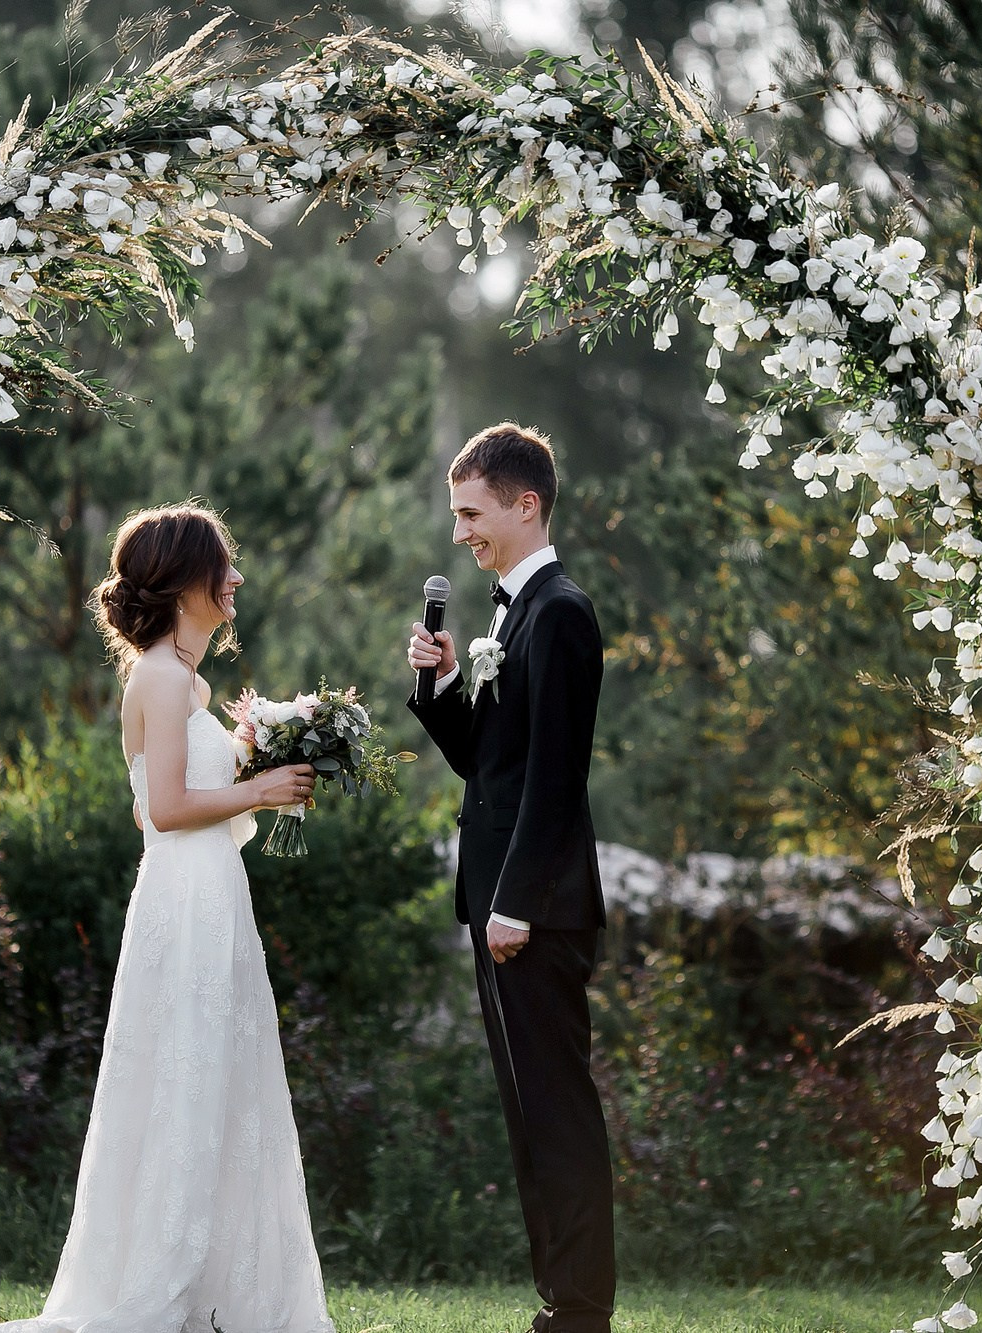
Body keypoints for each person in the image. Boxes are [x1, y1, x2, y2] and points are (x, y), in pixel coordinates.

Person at [0, 502, 328, 1333]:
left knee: (222, 1080)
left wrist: (264, 759)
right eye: (223, 565)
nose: (236, 580)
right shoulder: (156, 675)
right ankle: (162, 1282)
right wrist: (258, 787)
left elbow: (191, 801)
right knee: (180, 1080)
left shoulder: (193, 681)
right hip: (182, 903)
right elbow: (163, 806)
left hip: (214, 894)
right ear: (188, 580)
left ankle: (229, 1291)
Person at [405, 424, 615, 1333]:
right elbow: (488, 766)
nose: (461, 532)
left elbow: (556, 779)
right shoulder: (507, 613)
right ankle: (560, 1304)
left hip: (535, 910)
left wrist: (516, 903)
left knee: (557, 1111)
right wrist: (441, 688)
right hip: (502, 905)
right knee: (529, 1113)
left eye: (472, 512)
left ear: (525, 504)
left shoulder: (560, 612)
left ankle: (580, 1310)